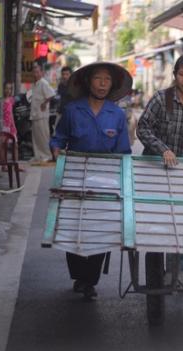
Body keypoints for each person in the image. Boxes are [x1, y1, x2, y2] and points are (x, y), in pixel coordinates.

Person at [50, 62, 132, 299]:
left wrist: (121, 181)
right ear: (88, 82)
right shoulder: (73, 110)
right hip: (75, 177)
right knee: (74, 227)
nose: (103, 84)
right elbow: (58, 139)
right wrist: (56, 151)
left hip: (105, 180)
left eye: (107, 80)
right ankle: (78, 275)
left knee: (99, 229)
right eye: (98, 78)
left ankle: (90, 280)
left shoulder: (116, 114)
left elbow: (123, 151)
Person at [137, 54, 183, 296]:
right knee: (156, 228)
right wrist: (163, 150)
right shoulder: (162, 99)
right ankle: (155, 273)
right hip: (153, 173)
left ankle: (180, 278)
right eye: (182, 74)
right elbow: (143, 128)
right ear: (175, 75)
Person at [29, 63, 56, 164]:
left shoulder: (43, 82)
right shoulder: (35, 84)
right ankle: (38, 155)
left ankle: (47, 155)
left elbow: (51, 94)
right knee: (36, 137)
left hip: (42, 115)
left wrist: (45, 103)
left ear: (42, 73)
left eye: (37, 72)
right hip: (35, 114)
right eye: (34, 72)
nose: (35, 74)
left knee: (43, 136)